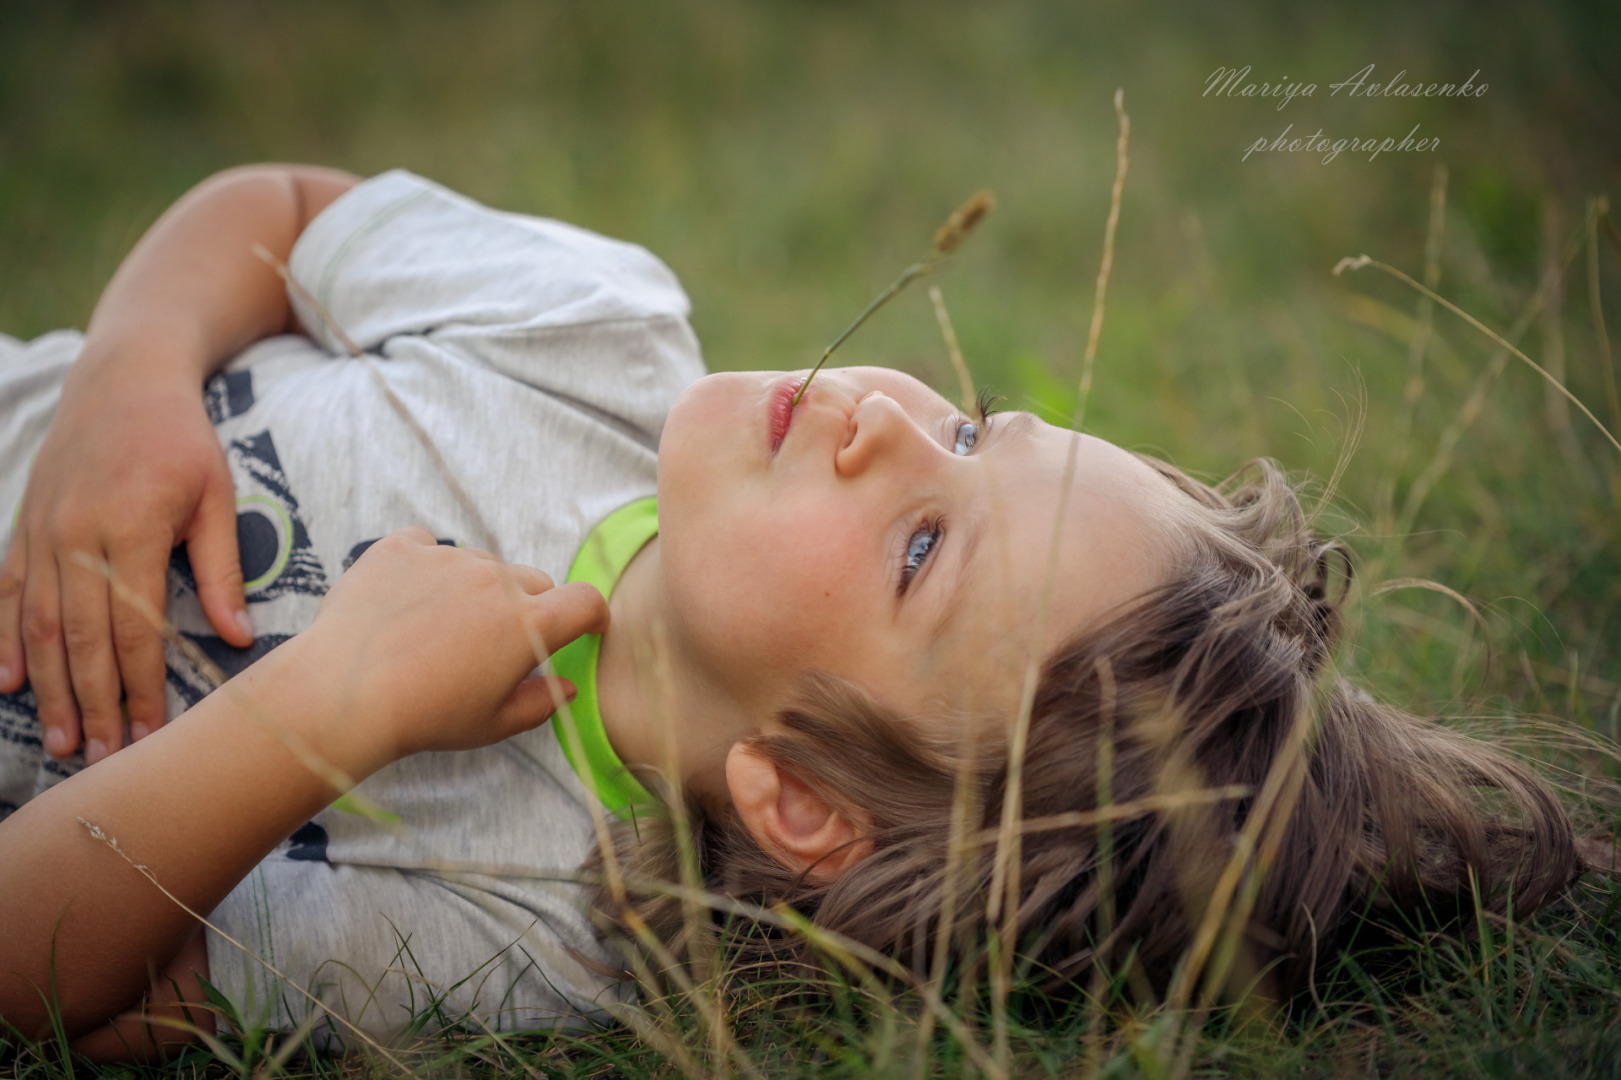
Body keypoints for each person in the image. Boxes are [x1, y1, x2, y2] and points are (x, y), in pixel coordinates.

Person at [0, 165, 1579, 1060]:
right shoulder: (595, 340)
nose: (883, 420)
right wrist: (133, 376)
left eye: (915, 547)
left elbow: (40, 976)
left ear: (801, 801)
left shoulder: (531, 923)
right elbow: (273, 212)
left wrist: (317, 717)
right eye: (968, 427)